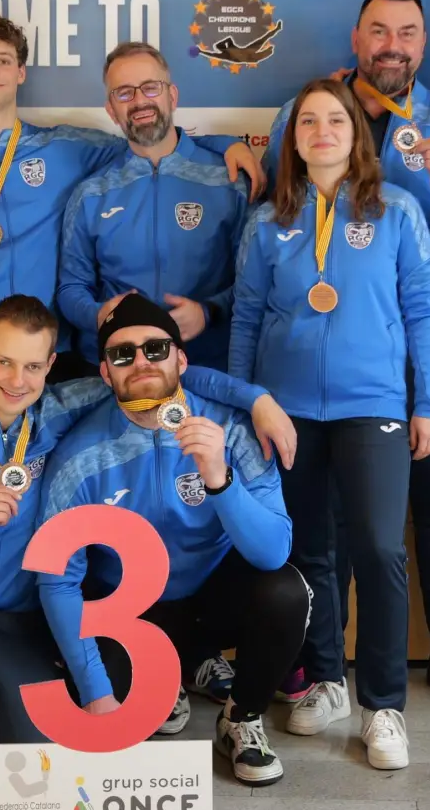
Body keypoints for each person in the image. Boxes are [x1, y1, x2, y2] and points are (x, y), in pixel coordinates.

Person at [0, 295, 289, 808]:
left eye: (34, 366)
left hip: (16, 622)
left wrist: (256, 398)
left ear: (50, 367)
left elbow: (158, 378)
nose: (18, 380)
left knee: (40, 758)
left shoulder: (60, 407)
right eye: (4, 361)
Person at [260, 0, 430, 711]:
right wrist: (238, 162)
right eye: (379, 31)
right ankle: (319, 662)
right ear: (357, 38)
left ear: (424, 46)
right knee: (329, 515)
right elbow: (270, 220)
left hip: (426, 340)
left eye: (407, 33)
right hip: (331, 349)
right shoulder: (306, 114)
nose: (392, 45)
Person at [229, 77, 430, 770]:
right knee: (308, 552)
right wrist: (243, 401)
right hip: (287, 411)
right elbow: (247, 319)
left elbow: (422, 312)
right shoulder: (267, 222)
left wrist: (428, 402)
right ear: (292, 138)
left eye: (335, 120)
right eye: (308, 122)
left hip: (374, 404)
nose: (322, 131)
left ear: (357, 132)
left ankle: (384, 706)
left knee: (380, 549)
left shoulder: (397, 211)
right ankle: (328, 681)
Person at [0, 15, 265, 391]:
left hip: (48, 350)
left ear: (21, 72)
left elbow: (148, 142)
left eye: (4, 60)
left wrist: (226, 145)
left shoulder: (67, 149)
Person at [36, 294, 309, 787]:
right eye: (122, 355)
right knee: (98, 694)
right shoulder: (80, 455)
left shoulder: (234, 428)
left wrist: (219, 480)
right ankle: (168, 677)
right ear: (105, 373)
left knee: (287, 591)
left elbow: (273, 551)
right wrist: (97, 692)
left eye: (156, 349)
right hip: (132, 615)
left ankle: (241, 718)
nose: (141, 362)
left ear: (182, 359)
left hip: (211, 602)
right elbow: (58, 582)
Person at [57, 41, 250, 375]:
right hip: (120, 375)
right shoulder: (91, 194)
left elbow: (257, 281)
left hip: (208, 370)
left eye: (150, 88)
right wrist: (98, 314)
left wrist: (209, 312)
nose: (139, 101)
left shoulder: (226, 180)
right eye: (124, 93)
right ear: (111, 110)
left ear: (171, 95)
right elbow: (71, 288)